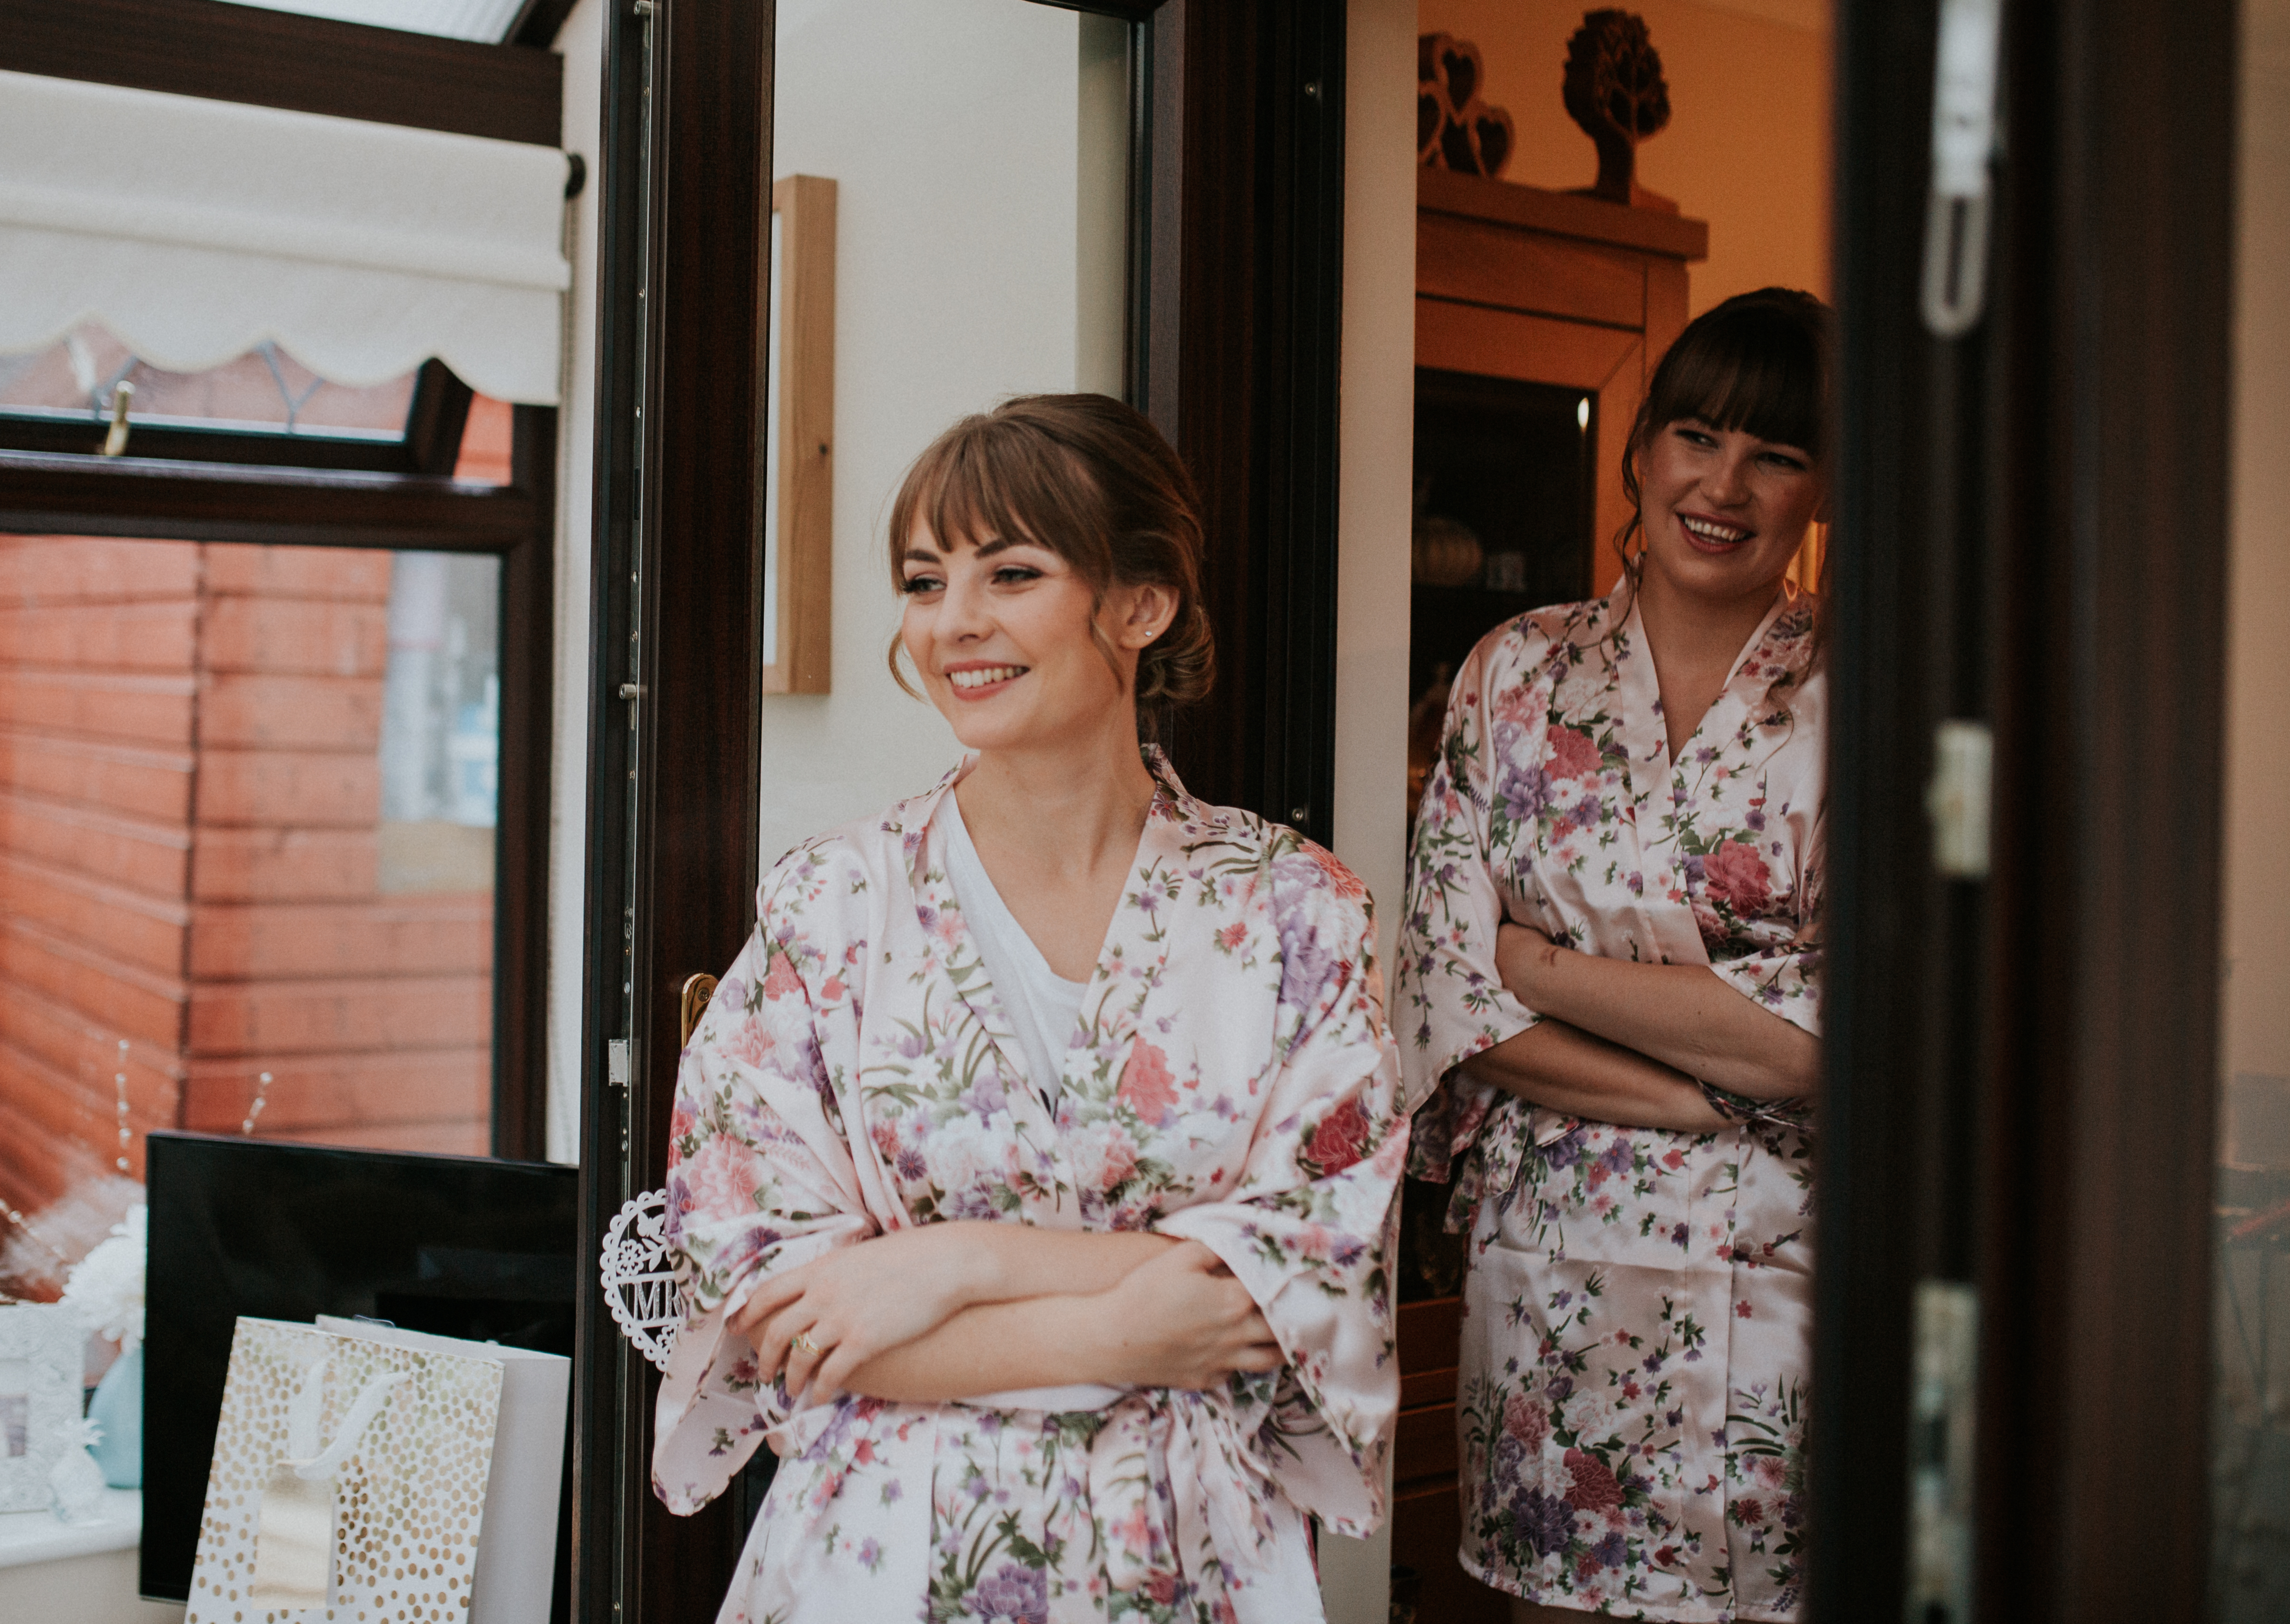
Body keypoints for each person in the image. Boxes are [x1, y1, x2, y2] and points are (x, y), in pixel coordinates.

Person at [655, 394, 1410, 1624]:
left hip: (1183, 1553)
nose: (955, 622)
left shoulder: (1295, 912)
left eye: (1010, 571)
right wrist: (1131, 1326)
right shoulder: (833, 901)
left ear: (1139, 602)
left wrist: (952, 1260)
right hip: (889, 1550)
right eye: (922, 579)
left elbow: (1299, 1277)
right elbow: (777, 1308)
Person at [1397, 288, 1831, 1621]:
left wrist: (1547, 967)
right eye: (1696, 436)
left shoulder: (1872, 693)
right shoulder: (1512, 675)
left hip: (1787, 1289)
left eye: (1777, 452)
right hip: (1555, 1290)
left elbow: (1830, 1041)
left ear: (1827, 485)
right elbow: (1445, 997)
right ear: (1640, 449)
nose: (1725, 483)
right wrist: (1719, 1086)